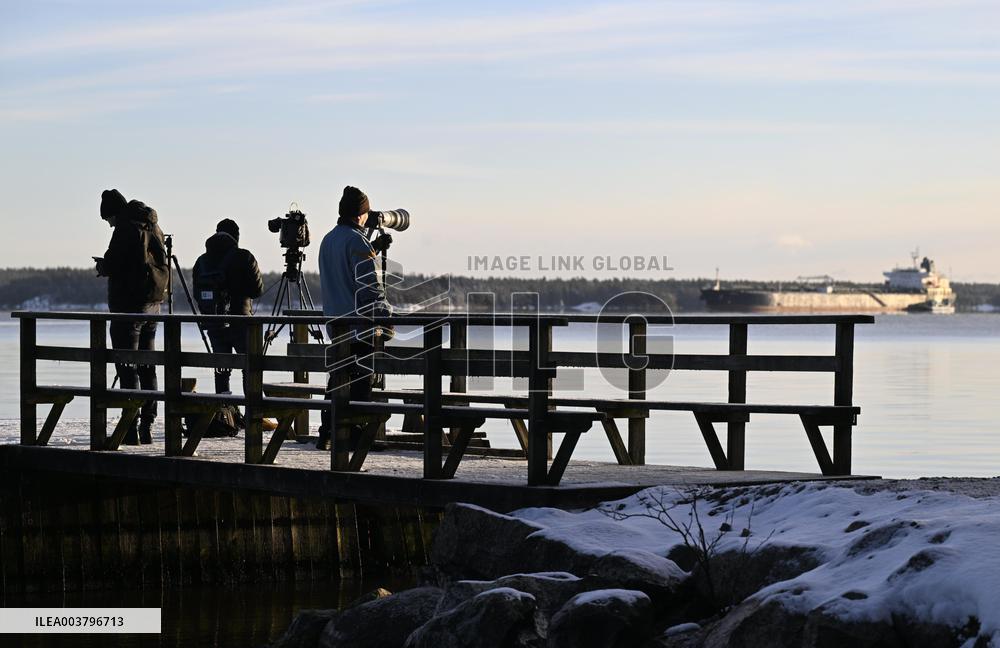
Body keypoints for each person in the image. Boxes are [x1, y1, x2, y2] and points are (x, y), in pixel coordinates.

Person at [316, 186, 392, 450]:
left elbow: (344, 275)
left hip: (335, 325)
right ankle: (355, 434)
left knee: (338, 378)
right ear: (361, 214)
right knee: (361, 381)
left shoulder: (328, 240)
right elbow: (370, 289)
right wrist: (386, 318)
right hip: (359, 326)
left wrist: (372, 248)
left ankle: (328, 431)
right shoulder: (357, 242)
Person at [95, 189, 169, 445]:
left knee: (127, 366)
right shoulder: (152, 224)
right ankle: (147, 424)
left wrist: (103, 266)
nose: (109, 224)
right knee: (147, 365)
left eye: (108, 219)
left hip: (128, 305)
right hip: (153, 304)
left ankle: (130, 427)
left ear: (114, 213)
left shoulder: (125, 228)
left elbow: (116, 262)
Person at [192, 218, 264, 395]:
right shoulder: (244, 256)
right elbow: (257, 290)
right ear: (236, 236)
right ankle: (251, 407)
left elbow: (196, 294)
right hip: (241, 321)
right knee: (249, 367)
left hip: (214, 323)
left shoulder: (201, 261)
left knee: (222, 370)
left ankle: (224, 407)